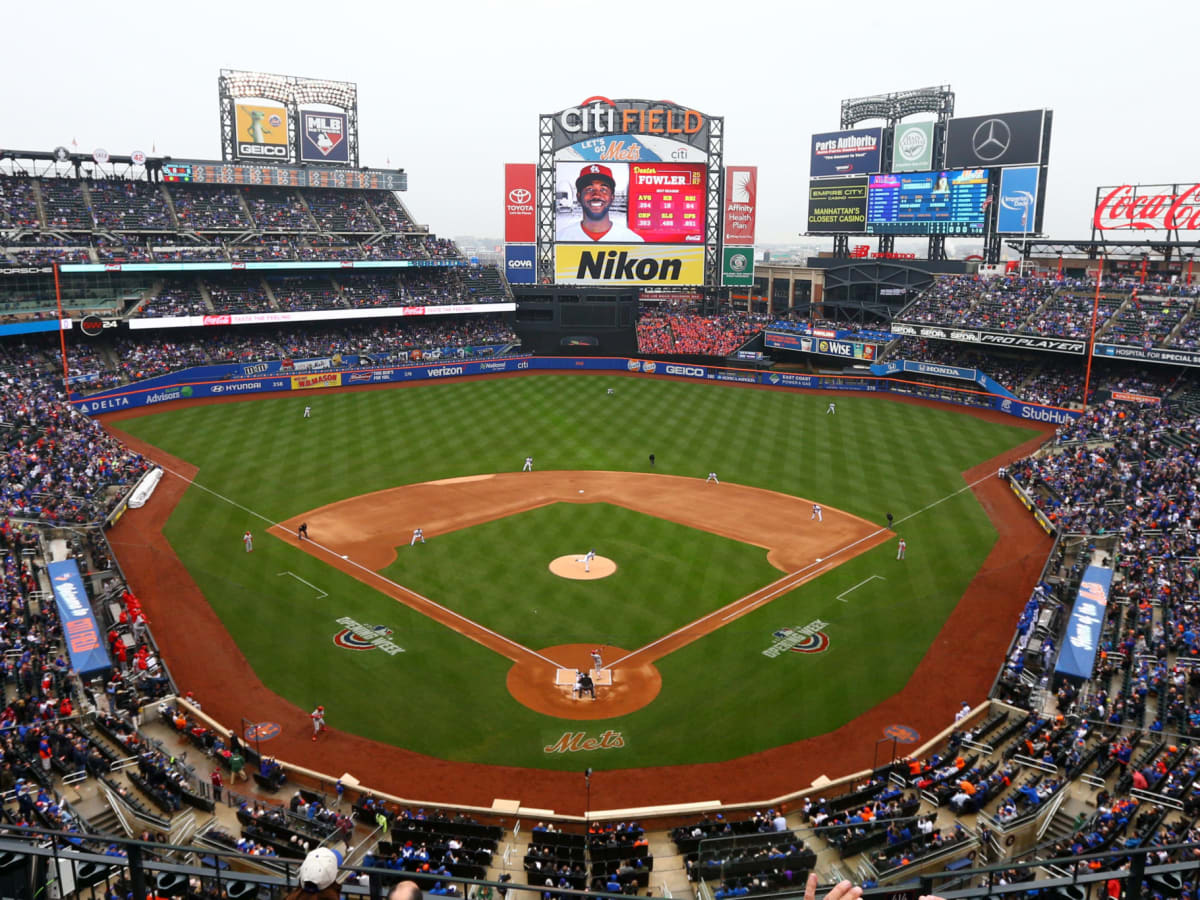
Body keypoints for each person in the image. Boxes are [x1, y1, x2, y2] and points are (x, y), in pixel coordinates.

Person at [555, 164, 643, 242]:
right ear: (578, 197)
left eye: (603, 190)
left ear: (612, 197)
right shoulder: (560, 239)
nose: (596, 195)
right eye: (589, 189)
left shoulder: (633, 240)